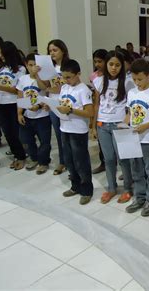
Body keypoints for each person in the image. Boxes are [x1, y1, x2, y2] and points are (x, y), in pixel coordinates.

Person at [91, 50, 134, 204]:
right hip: (103, 124)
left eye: (117, 65)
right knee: (108, 159)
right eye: (111, 64)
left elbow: (131, 106)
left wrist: (127, 122)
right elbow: (97, 104)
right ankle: (111, 188)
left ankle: (128, 188)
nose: (114, 68)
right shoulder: (99, 81)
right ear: (106, 64)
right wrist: (94, 126)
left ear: (122, 66)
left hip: (120, 125)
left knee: (124, 159)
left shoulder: (128, 82)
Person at [54, 59, 94, 205]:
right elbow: (61, 105)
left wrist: (71, 110)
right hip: (64, 128)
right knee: (69, 161)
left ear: (78, 74)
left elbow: (90, 112)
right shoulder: (64, 88)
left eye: (69, 77)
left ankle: (86, 190)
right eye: (64, 77)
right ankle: (75, 186)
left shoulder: (83, 90)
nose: (66, 80)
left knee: (81, 161)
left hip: (78, 131)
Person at [124, 59, 149, 216]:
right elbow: (129, 113)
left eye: (140, 79)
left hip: (148, 139)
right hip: (133, 138)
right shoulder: (132, 93)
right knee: (136, 169)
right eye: (134, 79)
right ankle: (139, 197)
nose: (137, 82)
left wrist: (146, 126)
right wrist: (124, 125)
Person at [0, 41, 27, 170]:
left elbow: (18, 90)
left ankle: (21, 157)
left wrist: (1, 87)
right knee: (7, 132)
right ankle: (17, 155)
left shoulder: (20, 69)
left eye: (2, 53)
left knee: (16, 133)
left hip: (14, 103)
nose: (0, 56)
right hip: (1, 104)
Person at [16, 54, 51, 174]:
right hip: (27, 114)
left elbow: (44, 90)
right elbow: (20, 96)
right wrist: (19, 113)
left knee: (44, 141)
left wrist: (36, 76)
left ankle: (43, 162)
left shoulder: (43, 78)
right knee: (26, 139)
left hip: (42, 116)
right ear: (26, 65)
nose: (32, 68)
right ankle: (34, 157)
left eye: (35, 65)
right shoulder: (22, 79)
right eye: (30, 65)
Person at [46, 39, 69, 175]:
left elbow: (69, 86)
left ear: (63, 51)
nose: (52, 53)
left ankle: (71, 160)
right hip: (53, 104)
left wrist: (57, 89)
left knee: (68, 135)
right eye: (50, 51)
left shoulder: (69, 66)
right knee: (59, 135)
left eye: (55, 50)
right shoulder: (49, 68)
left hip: (66, 104)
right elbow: (45, 87)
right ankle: (62, 161)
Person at [89, 49, 108, 175]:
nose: (97, 64)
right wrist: (93, 123)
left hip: (112, 114)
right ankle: (104, 163)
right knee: (102, 143)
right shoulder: (94, 76)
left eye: (100, 61)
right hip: (100, 112)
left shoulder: (112, 77)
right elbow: (96, 101)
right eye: (95, 61)